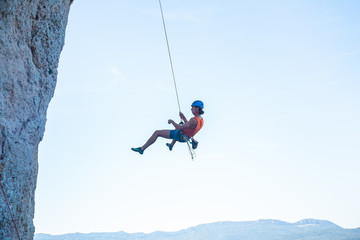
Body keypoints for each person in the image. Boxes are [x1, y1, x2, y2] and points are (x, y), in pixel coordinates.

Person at [131, 100, 204, 155]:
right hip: (186, 137)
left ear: (197, 108)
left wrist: (171, 121)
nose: (191, 109)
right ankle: (171, 145)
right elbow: (189, 125)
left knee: (157, 133)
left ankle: (142, 149)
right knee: (177, 131)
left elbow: (179, 127)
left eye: (192, 107)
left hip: (180, 135)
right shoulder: (201, 120)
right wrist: (183, 117)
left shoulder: (193, 120)